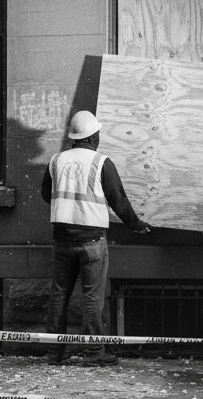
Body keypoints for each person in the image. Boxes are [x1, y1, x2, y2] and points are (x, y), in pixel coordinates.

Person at [41, 110, 151, 367]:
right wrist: (136, 225)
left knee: (59, 296)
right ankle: (94, 353)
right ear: (93, 137)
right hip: (91, 242)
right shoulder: (102, 162)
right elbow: (119, 201)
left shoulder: (56, 161)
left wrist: (68, 204)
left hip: (61, 240)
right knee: (92, 299)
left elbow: (46, 195)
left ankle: (54, 353)